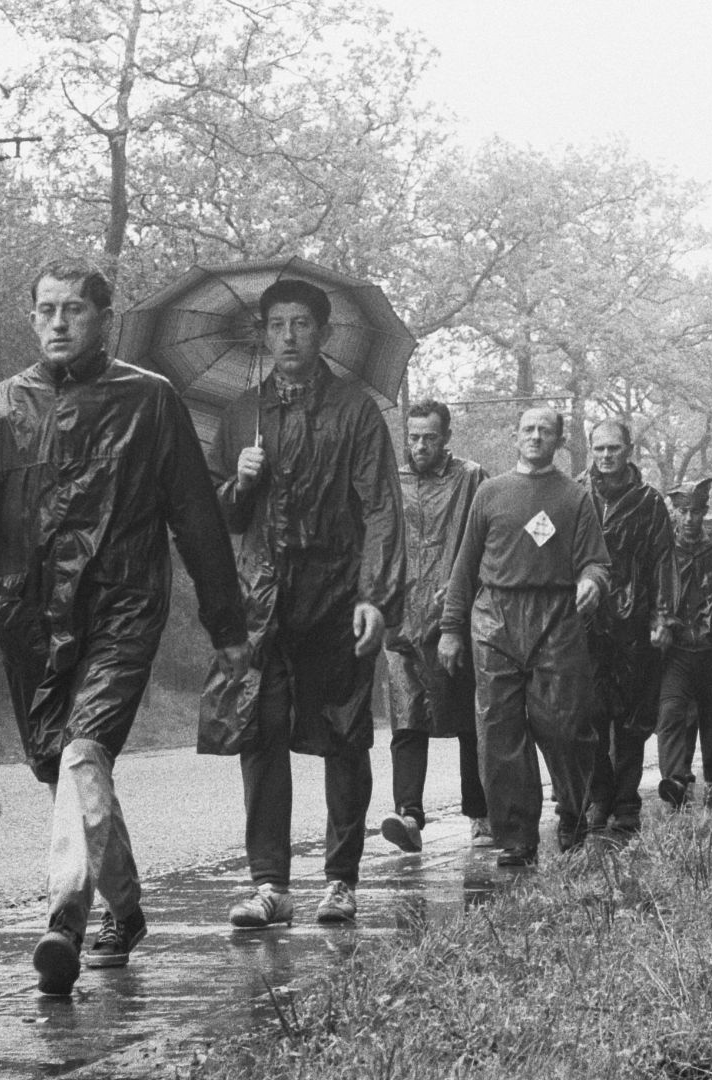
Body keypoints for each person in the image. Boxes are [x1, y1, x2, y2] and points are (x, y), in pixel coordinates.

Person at [0, 259, 248, 994]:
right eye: (45, 309)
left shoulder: (150, 402)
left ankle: (63, 919)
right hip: (28, 617)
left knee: (81, 755)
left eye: (74, 309)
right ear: (30, 318)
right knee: (66, 774)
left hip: (122, 607)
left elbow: (196, 516)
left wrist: (227, 622)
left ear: (104, 317)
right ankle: (125, 911)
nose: (58, 322)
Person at [205, 278, 404, 928]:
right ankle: (270, 885)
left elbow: (380, 507)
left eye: (302, 324)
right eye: (278, 325)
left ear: (322, 334)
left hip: (338, 594)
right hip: (263, 599)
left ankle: (341, 880)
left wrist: (374, 596)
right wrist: (242, 479)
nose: (289, 336)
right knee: (258, 731)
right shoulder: (241, 414)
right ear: (263, 333)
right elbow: (220, 517)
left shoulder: (355, 410)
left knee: (345, 733)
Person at [439, 408, 611, 866]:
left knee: (566, 726)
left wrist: (592, 582)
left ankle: (573, 811)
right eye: (528, 430)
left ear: (558, 441)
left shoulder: (575, 497)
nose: (536, 437)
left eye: (545, 431)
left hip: (556, 617)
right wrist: (451, 629)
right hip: (495, 617)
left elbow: (596, 560)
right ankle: (515, 836)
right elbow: (463, 566)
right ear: (515, 437)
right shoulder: (490, 493)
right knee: (498, 730)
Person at [378, 400, 491, 852]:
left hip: (455, 619)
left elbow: (488, 538)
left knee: (468, 719)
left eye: (429, 437)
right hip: (402, 619)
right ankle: (408, 815)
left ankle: (480, 815)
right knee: (406, 719)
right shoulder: (391, 481)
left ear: (446, 439)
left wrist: (465, 594)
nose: (419, 446)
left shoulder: (470, 478)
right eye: (413, 437)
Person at [576, 420, 673, 837]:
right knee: (590, 713)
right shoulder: (577, 492)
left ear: (629, 449)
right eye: (599, 448)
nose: (606, 456)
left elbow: (663, 560)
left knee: (633, 718)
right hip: (587, 618)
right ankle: (600, 797)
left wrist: (662, 615)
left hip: (635, 619)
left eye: (614, 447)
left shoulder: (649, 502)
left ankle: (628, 800)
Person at [650, 479, 712, 810]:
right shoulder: (662, 545)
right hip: (674, 648)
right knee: (671, 711)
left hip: (709, 645)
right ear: (675, 512)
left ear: (704, 512)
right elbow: (652, 587)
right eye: (682, 511)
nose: (689, 518)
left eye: (695, 512)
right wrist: (658, 623)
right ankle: (675, 778)